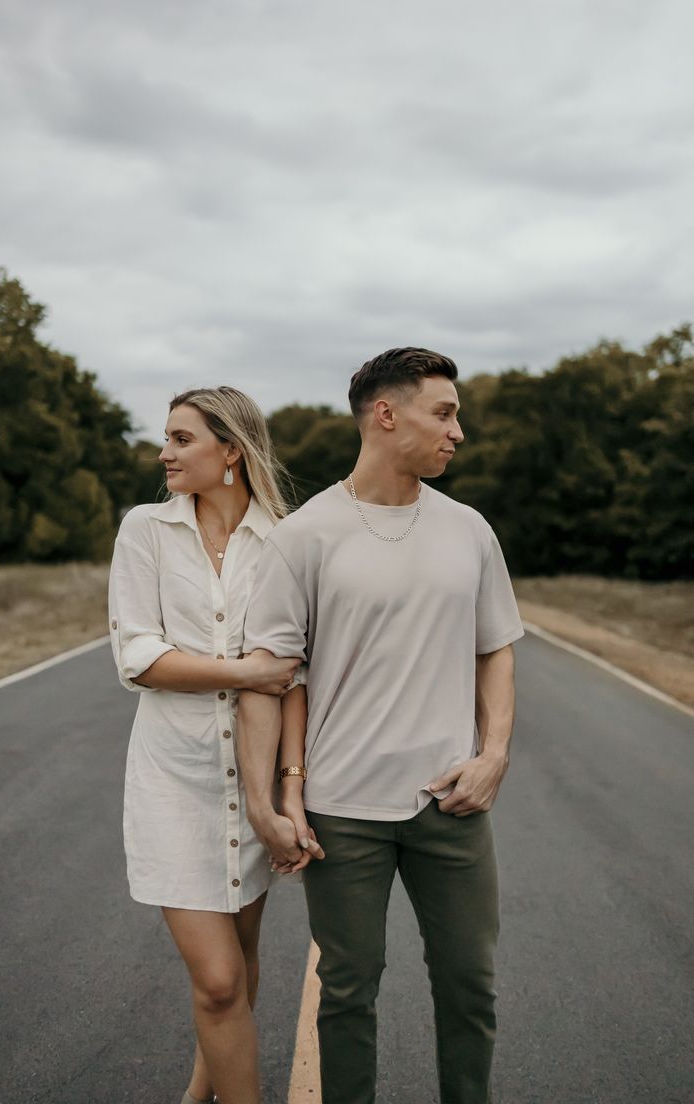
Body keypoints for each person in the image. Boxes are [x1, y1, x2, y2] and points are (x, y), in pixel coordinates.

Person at [236, 347, 525, 1104]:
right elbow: (270, 679)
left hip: (452, 805)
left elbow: (495, 648)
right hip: (343, 813)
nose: (458, 431)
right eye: (445, 412)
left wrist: (492, 754)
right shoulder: (305, 536)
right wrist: (270, 803)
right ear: (385, 415)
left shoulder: (470, 530)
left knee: (471, 989)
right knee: (348, 993)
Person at [108, 386, 318, 1104]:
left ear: (231, 451)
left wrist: (287, 791)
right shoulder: (144, 530)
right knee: (220, 980)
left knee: (240, 962)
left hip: (252, 782)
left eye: (180, 439)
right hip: (174, 779)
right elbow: (139, 655)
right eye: (164, 438)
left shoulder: (285, 540)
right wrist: (244, 671)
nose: (163, 452)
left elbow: (293, 676)